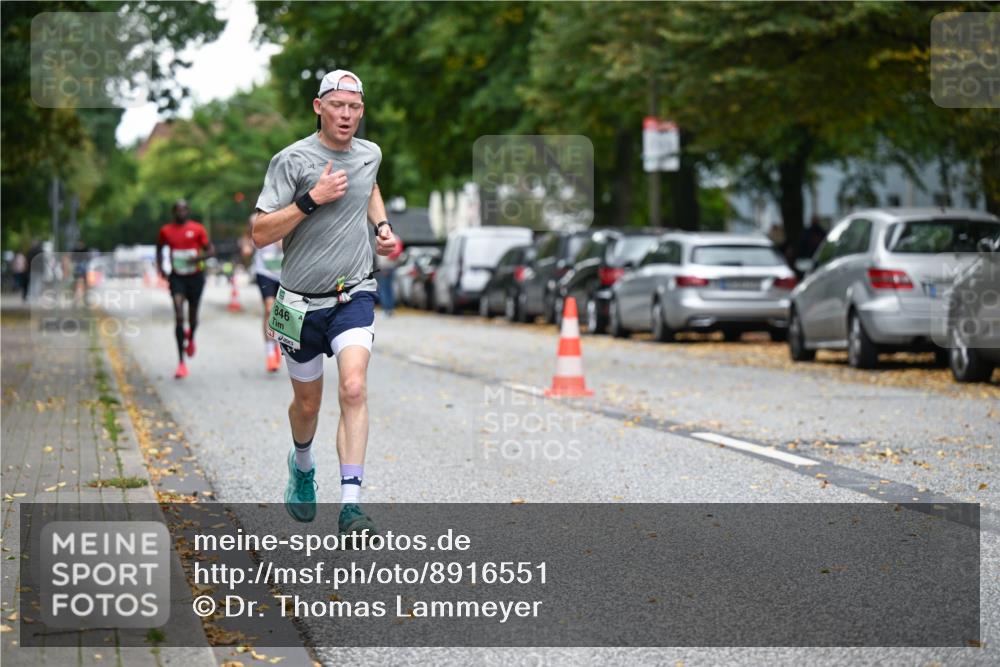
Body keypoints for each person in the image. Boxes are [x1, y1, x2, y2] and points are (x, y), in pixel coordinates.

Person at [252, 69, 395, 534]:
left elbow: (368, 186)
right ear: (319, 107)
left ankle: (351, 505)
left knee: (353, 387)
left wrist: (382, 228)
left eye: (355, 108)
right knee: (307, 405)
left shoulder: (369, 154)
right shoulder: (291, 160)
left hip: (352, 292)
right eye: (338, 106)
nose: (347, 115)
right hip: (297, 302)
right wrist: (310, 200)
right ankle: (302, 462)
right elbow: (259, 233)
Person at [156, 199, 214, 379]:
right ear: (174, 212)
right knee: (179, 316)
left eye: (184, 209)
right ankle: (181, 362)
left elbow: (211, 251)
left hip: (195, 277)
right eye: (178, 210)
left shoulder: (197, 229)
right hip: (177, 277)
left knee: (193, 317)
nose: (181, 212)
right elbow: (158, 250)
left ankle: (191, 337)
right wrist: (161, 269)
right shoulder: (165, 231)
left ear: (188, 211)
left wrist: (197, 259)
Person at [249, 212, 284, 372]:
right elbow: (251, 239)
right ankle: (270, 350)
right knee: (269, 309)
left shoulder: (290, 213)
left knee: (281, 311)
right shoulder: (256, 218)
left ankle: (278, 342)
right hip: (265, 272)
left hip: (284, 272)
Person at [375, 231, 403, 315]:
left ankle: (386, 309)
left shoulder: (382, 238)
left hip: (385, 267)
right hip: (392, 267)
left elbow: (381, 255)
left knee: (384, 289)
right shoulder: (396, 238)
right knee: (390, 288)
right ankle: (391, 308)